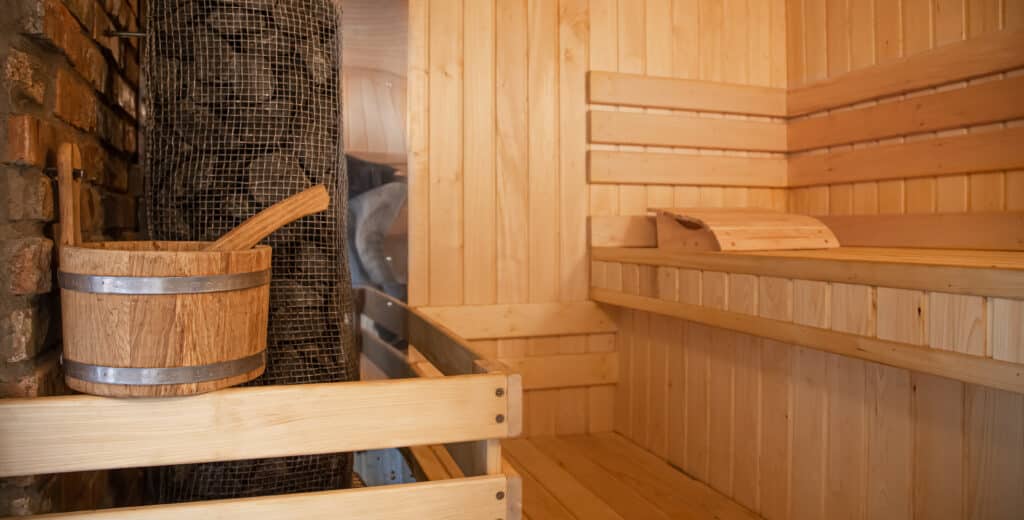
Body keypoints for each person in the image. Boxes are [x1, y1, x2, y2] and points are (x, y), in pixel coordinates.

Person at [345, 155, 407, 302]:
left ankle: (396, 302)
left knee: (366, 241)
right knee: (341, 235)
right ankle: (370, 300)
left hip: (385, 187)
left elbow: (359, 167)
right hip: (355, 201)